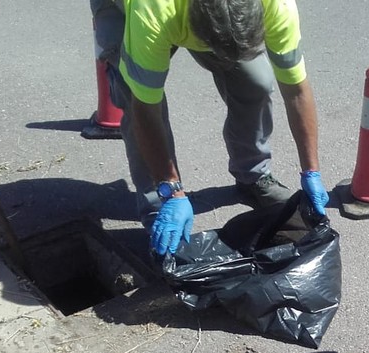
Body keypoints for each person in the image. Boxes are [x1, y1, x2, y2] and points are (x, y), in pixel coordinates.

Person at [90, 0, 330, 255]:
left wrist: (311, 172)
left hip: (197, 18)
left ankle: (252, 175)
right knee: (134, 93)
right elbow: (145, 110)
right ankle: (159, 210)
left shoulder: (277, 5)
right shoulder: (154, 10)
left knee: (255, 81)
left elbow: (296, 91)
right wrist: (170, 189)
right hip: (126, 10)